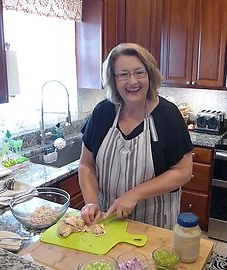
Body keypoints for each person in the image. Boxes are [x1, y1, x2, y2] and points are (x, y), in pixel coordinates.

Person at [79, 43, 193, 229]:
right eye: (124, 74)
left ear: (150, 75)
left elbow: (183, 171)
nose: (133, 81)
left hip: (154, 223)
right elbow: (86, 164)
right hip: (107, 220)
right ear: (113, 79)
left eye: (139, 72)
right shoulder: (102, 112)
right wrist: (91, 202)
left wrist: (135, 194)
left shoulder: (168, 114)